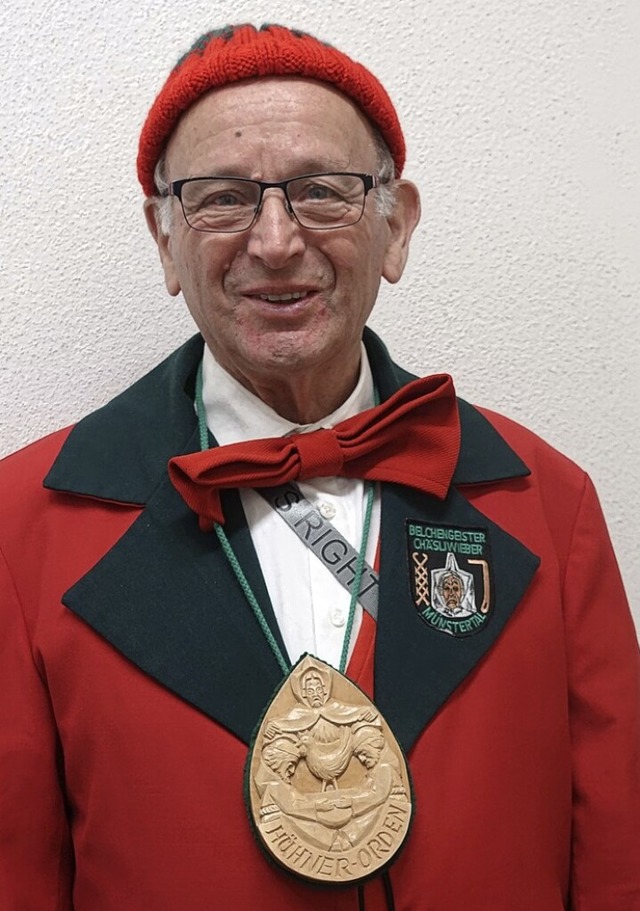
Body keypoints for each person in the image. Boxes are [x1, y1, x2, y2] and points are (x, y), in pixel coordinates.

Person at [0, 22, 638, 911]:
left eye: (322, 192)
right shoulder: (18, 526)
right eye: (221, 198)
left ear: (396, 226)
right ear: (164, 239)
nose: (273, 241)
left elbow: (620, 860)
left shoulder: (548, 500)